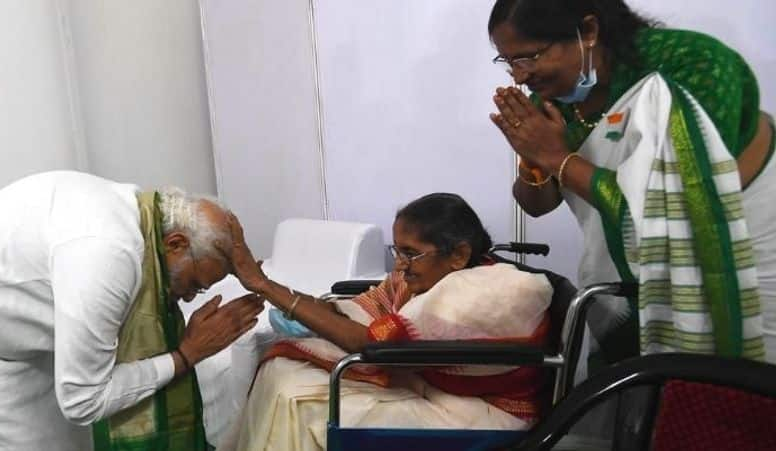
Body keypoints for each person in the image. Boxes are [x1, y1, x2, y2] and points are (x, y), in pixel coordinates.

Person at [486, 0, 775, 364]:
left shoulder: (691, 64)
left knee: (730, 393)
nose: (518, 76)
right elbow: (536, 205)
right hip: (630, 281)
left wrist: (558, 158)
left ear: (588, 32)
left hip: (736, 261)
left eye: (528, 57)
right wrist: (533, 158)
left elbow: (684, 206)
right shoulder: (554, 98)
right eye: (507, 61)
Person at [216, 193, 554, 451]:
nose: (400, 266)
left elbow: (375, 344)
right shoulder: (428, 279)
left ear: (459, 255)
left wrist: (265, 286)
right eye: (398, 251)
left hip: (479, 414)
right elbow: (371, 307)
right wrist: (307, 307)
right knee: (281, 373)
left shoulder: (484, 292)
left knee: (297, 400)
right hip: (426, 383)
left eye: (411, 254)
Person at [0, 171, 264, 451]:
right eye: (194, 284)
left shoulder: (137, 213)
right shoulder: (110, 256)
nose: (188, 298)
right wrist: (184, 356)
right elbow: (83, 401)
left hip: (18, 337)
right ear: (175, 243)